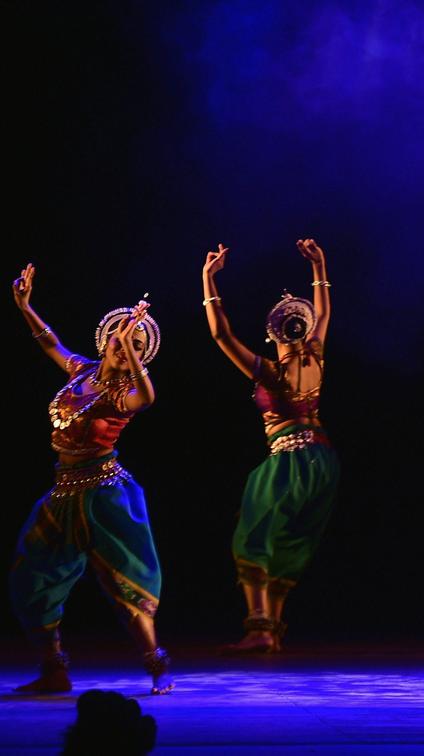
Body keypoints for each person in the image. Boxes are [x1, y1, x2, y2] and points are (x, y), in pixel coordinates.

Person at [10, 264, 172, 694]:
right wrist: (26, 306)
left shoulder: (122, 393)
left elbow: (148, 397)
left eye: (135, 343)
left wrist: (132, 353)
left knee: (124, 581)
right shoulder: (82, 371)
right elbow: (50, 343)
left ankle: (157, 665)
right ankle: (54, 669)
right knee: (32, 576)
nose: (125, 346)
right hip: (63, 492)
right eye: (120, 338)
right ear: (106, 339)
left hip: (105, 494)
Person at [202, 240, 340, 653]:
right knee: (294, 537)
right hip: (324, 460)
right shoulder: (315, 356)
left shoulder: (270, 372)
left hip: (289, 459)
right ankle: (274, 628)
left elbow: (220, 334)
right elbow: (326, 313)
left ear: (274, 334)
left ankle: (260, 627)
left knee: (256, 532)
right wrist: (320, 266)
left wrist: (208, 280)